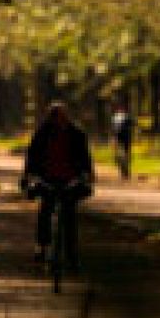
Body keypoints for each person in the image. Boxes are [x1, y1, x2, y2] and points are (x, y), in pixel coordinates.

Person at [21, 102, 94, 268]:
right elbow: (31, 157)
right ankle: (42, 246)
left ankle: (71, 254)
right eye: (55, 116)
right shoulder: (42, 134)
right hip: (47, 180)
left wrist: (86, 176)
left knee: (69, 216)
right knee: (45, 210)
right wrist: (27, 177)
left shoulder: (77, 134)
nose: (59, 120)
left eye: (61, 116)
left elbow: (85, 158)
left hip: (70, 181)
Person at [110, 97, 134, 179]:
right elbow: (114, 129)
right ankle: (124, 171)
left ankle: (125, 171)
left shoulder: (126, 117)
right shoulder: (117, 118)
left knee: (124, 155)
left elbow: (130, 128)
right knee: (121, 155)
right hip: (121, 138)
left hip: (124, 138)